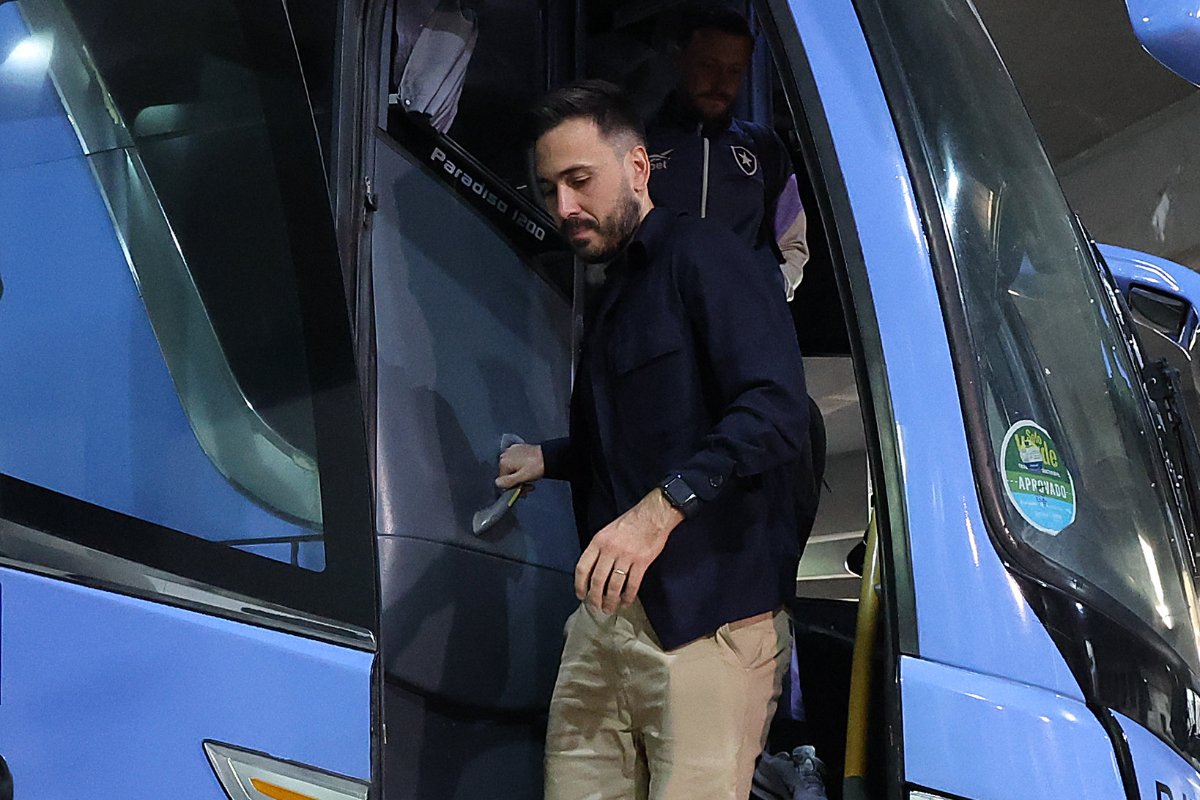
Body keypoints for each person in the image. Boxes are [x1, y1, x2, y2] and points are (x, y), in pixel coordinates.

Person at [497, 79, 811, 800]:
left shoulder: (704, 254)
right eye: (549, 190)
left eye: (581, 181)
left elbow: (774, 410)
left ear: (638, 167)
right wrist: (548, 456)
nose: (564, 209)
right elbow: (636, 436)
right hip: (607, 622)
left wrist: (654, 514)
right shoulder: (614, 295)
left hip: (709, 625)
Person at [646, 5, 809, 300]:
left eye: (734, 71)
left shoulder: (764, 148)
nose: (721, 83)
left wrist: (771, 290)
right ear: (680, 59)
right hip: (659, 323)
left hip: (738, 327)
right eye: (708, 66)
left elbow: (792, 242)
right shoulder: (640, 142)